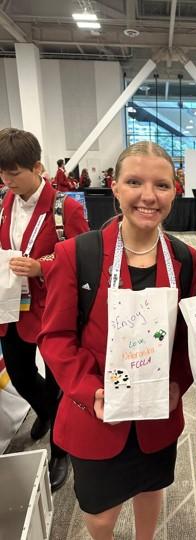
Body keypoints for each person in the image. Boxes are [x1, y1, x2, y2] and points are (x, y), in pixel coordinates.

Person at [38, 141, 196, 540]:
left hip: (156, 415)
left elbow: (188, 340)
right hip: (97, 418)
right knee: (101, 514)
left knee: (149, 490)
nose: (148, 196)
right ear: (114, 187)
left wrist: (179, 381)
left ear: (175, 190)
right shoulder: (78, 254)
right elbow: (56, 337)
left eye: (161, 185)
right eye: (134, 182)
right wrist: (89, 391)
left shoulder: (185, 260)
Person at [0, 128, 89, 490]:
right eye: (2, 174)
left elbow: (84, 257)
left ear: (37, 167)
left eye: (14, 173)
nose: (7, 180)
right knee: (20, 376)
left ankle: (60, 453)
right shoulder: (4, 202)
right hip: (12, 309)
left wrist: (42, 266)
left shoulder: (65, 207)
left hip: (55, 310)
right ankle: (47, 411)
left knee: (60, 382)